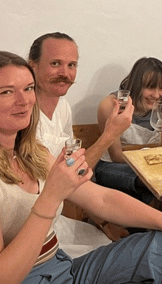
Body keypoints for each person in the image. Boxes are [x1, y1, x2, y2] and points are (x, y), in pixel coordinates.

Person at [0, 51, 162, 284]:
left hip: (65, 269)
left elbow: (102, 199)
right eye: (7, 91)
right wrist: (51, 196)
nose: (24, 100)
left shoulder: (33, 152)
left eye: (29, 88)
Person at [29, 32, 131, 255]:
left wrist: (103, 224)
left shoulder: (63, 106)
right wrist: (109, 134)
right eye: (55, 63)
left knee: (117, 247)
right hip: (29, 228)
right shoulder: (23, 113)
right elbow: (69, 176)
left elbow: (75, 172)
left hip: (57, 221)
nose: (65, 73)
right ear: (33, 65)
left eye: (71, 65)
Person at [93, 57, 162, 204]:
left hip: (151, 165)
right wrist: (155, 163)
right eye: (150, 87)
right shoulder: (110, 105)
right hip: (111, 167)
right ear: (136, 85)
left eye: (161, 88)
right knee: (152, 181)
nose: (157, 95)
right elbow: (117, 156)